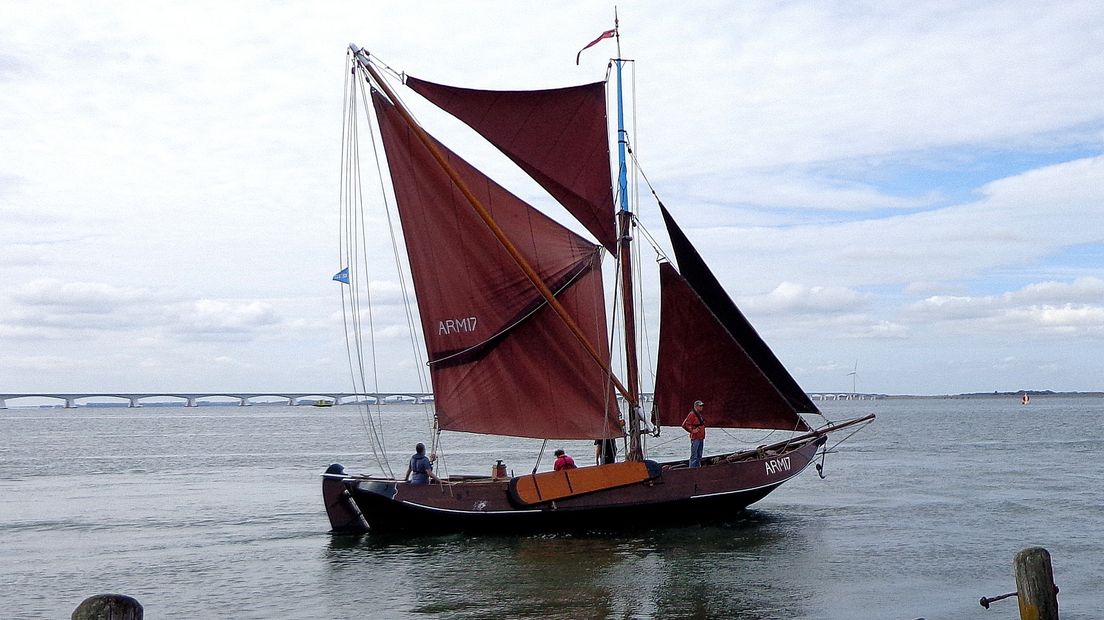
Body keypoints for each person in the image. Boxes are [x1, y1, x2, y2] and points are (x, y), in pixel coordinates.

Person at [681, 399, 706, 467]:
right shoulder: (692, 414)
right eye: (700, 406)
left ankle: (698, 468)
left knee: (699, 455)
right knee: (694, 455)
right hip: (695, 437)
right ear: (696, 406)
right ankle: (692, 469)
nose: (702, 407)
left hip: (701, 437)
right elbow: (685, 424)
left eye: (702, 406)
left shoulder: (699, 414)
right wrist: (692, 431)